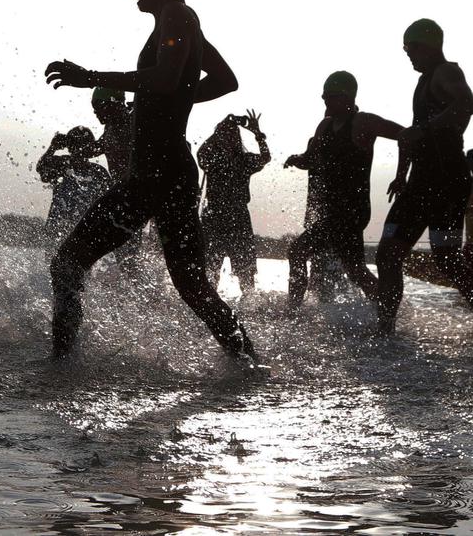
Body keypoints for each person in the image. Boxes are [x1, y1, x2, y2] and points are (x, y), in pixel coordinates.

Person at [42, 0, 254, 361]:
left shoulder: (177, 16)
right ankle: (248, 361)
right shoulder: (181, 22)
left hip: (155, 177)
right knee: (193, 287)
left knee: (67, 262)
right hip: (169, 174)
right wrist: (177, 97)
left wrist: (90, 77)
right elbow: (223, 80)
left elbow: (165, 78)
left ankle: (59, 365)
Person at [375, 19, 473, 333]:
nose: (408, 56)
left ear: (428, 46)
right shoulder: (424, 81)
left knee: (446, 259)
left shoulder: (447, 72)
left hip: (447, 181)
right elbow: (411, 136)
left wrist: (425, 129)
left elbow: (466, 103)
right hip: (419, 183)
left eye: (411, 49)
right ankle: (385, 328)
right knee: (388, 253)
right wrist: (401, 175)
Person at [283, 71, 402, 306]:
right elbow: (310, 158)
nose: (325, 101)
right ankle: (385, 306)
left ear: (348, 97)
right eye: (324, 96)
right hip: (333, 211)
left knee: (298, 251)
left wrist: (401, 176)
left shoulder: (363, 122)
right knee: (355, 270)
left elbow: (406, 135)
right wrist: (297, 159)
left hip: (352, 210)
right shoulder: (324, 126)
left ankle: (292, 311)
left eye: (330, 96)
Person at [197, 110, 270, 293]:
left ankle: (249, 302)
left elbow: (265, 157)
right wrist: (221, 128)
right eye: (224, 134)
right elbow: (201, 153)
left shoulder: (244, 160)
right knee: (210, 267)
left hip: (238, 216)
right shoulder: (213, 160)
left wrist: (258, 134)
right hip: (214, 215)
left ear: (237, 138)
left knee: (245, 270)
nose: (227, 138)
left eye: (231, 134)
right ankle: (209, 302)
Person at [38, 127, 111, 238]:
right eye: (75, 146)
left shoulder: (99, 172)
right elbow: (41, 169)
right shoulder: (62, 164)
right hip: (59, 229)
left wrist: (52, 148)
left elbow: (109, 202)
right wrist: (52, 147)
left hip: (82, 231)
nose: (79, 151)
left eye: (82, 146)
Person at [90, 87, 133, 181]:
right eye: (94, 107)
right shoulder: (111, 127)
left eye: (99, 105)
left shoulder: (132, 125)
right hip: (122, 186)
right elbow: (97, 148)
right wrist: (69, 142)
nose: (95, 111)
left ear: (114, 103)